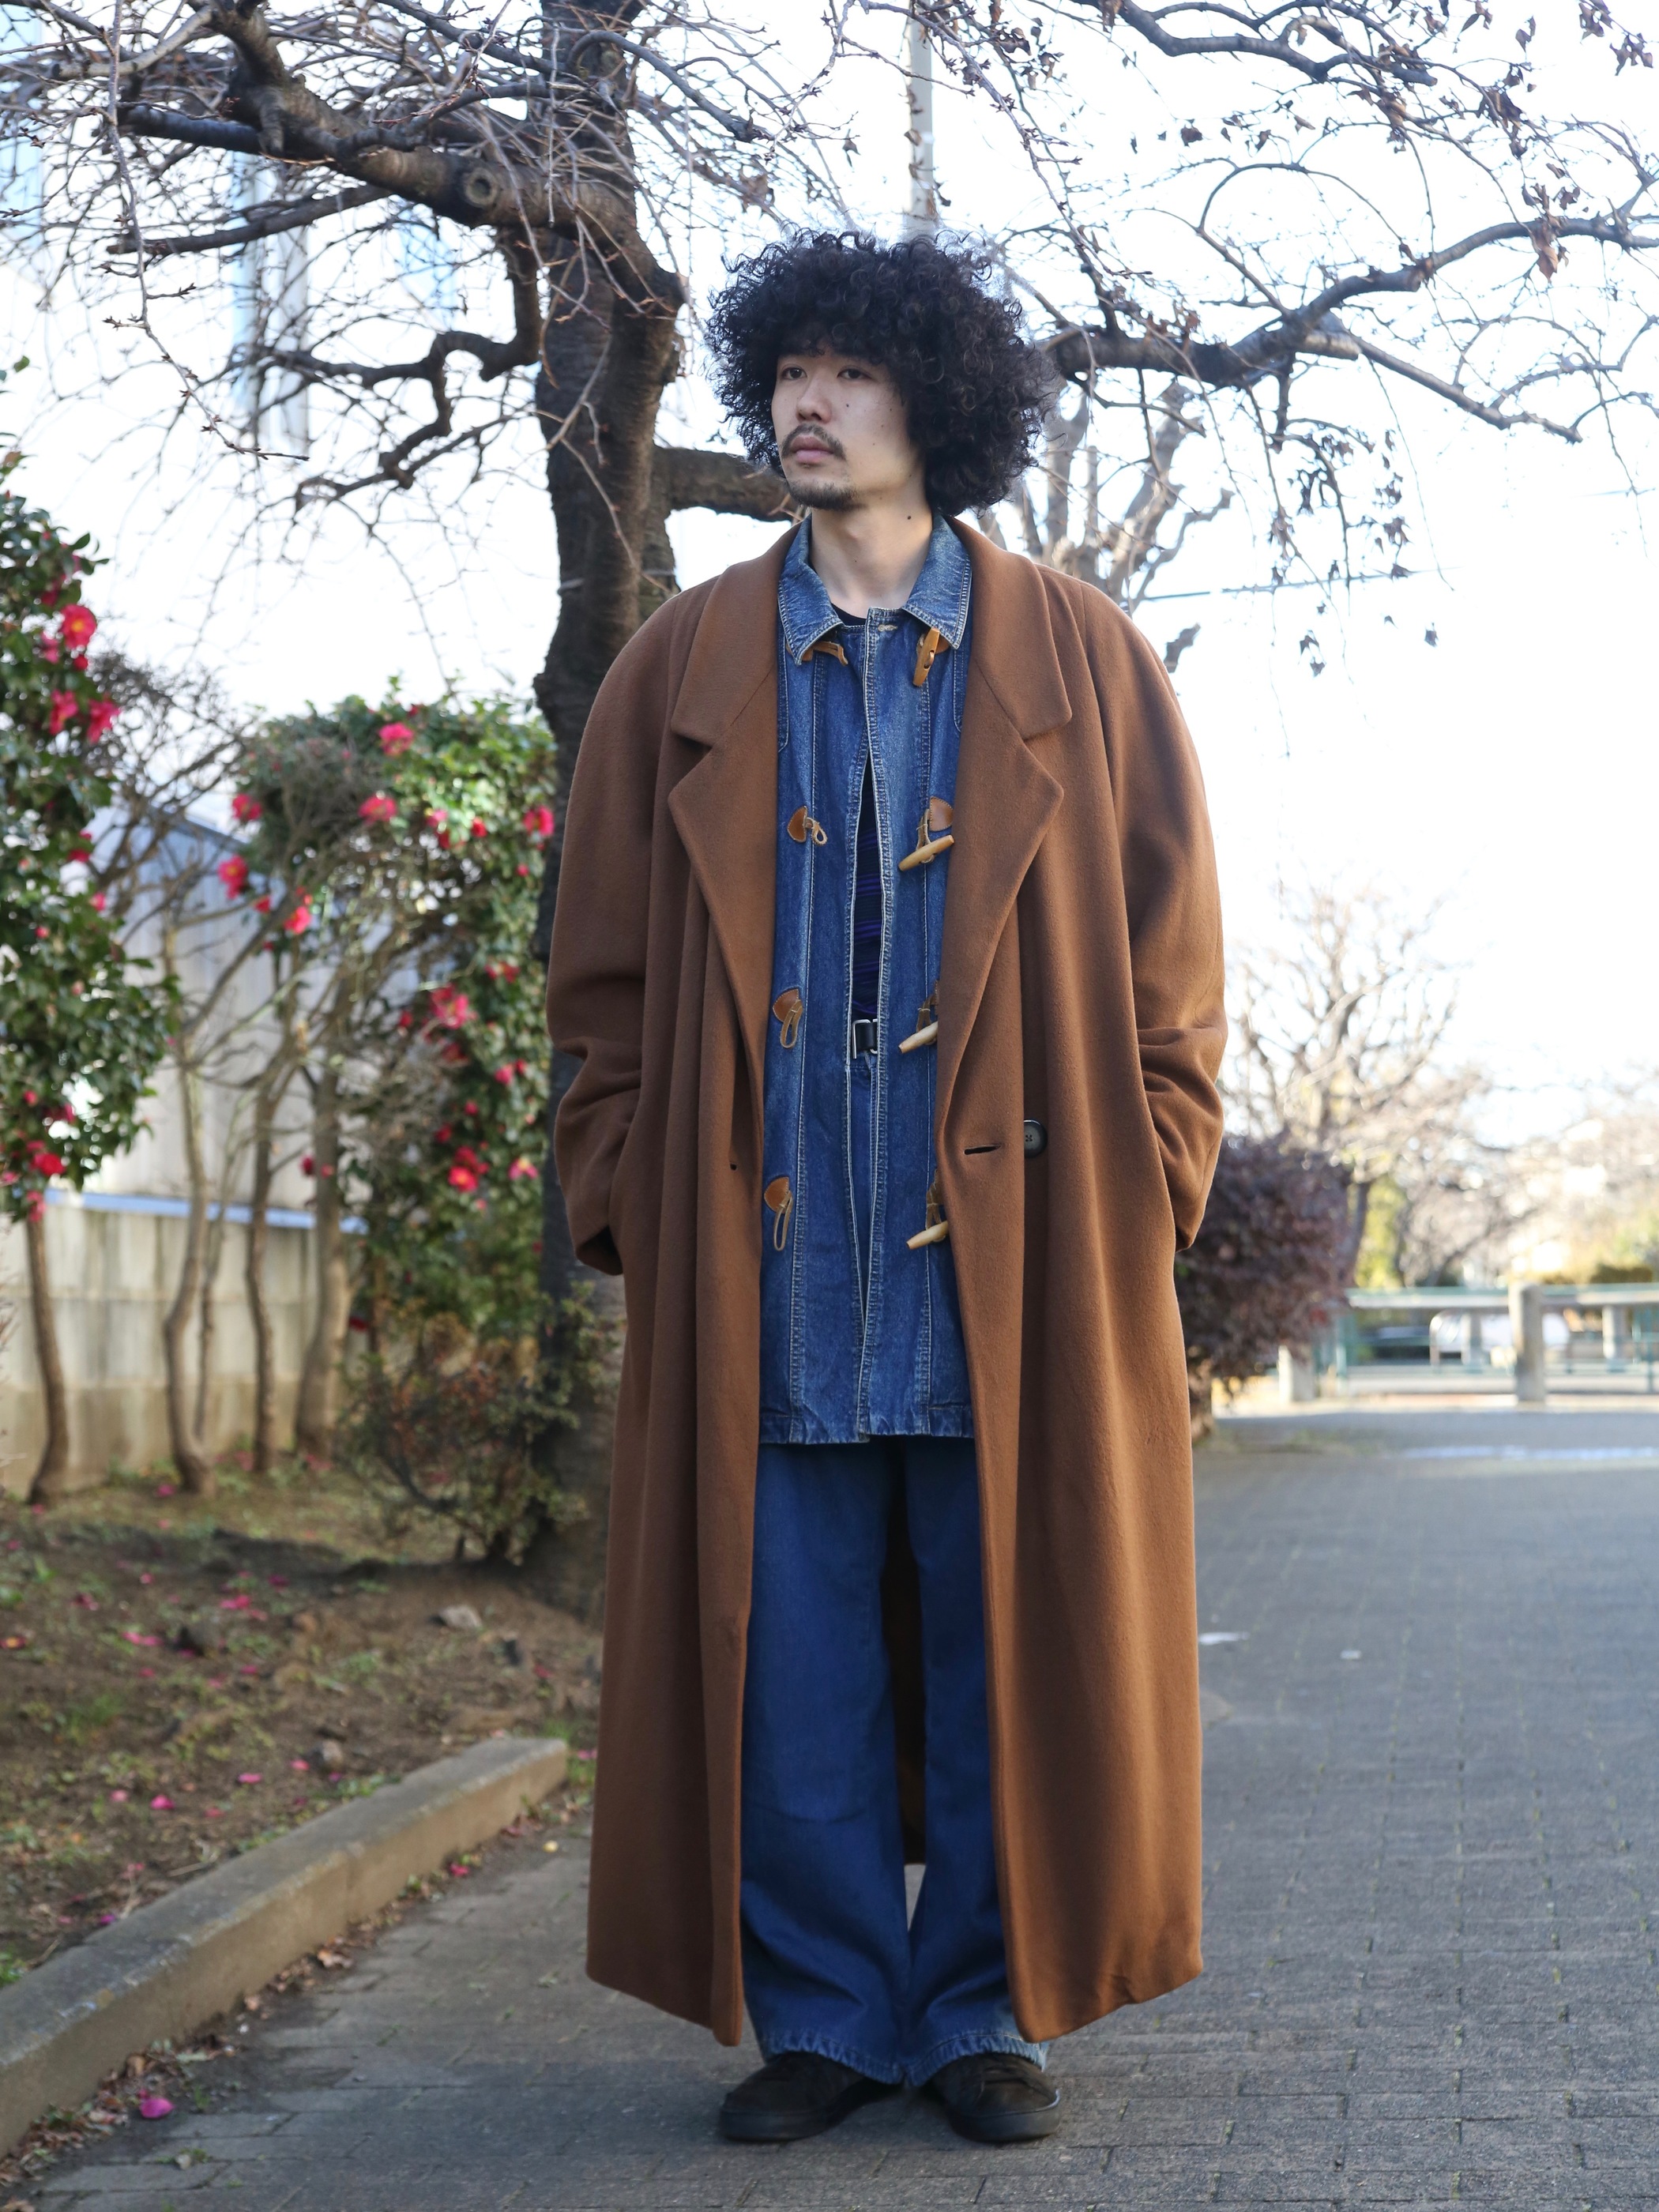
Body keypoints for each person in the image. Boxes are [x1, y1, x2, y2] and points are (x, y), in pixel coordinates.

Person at [545, 232, 1225, 2149]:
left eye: (848, 371)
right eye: (789, 372)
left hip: (1022, 1260)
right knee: (794, 1664)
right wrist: (630, 1185)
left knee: (1014, 1652)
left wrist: (1152, 1179)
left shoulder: (1081, 657)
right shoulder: (683, 661)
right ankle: (835, 2013)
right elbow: (600, 976)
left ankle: (987, 2009)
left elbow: (1175, 964)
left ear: (938, 401)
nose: (807, 404)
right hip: (767, 1256)